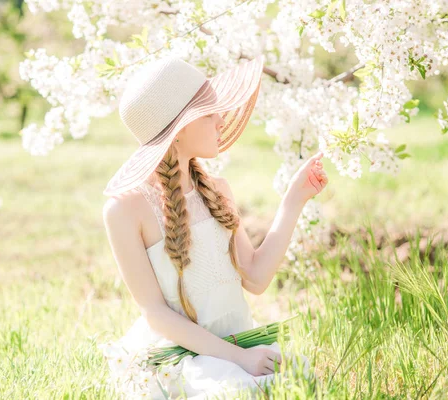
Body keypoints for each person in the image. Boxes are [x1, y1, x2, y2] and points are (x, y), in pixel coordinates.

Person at [100, 54, 328, 399]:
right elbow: (156, 314)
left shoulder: (217, 190)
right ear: (179, 128)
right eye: (209, 113)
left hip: (236, 341)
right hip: (187, 353)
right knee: (238, 391)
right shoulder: (125, 209)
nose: (221, 120)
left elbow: (255, 276)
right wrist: (239, 358)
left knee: (299, 378)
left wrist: (294, 199)